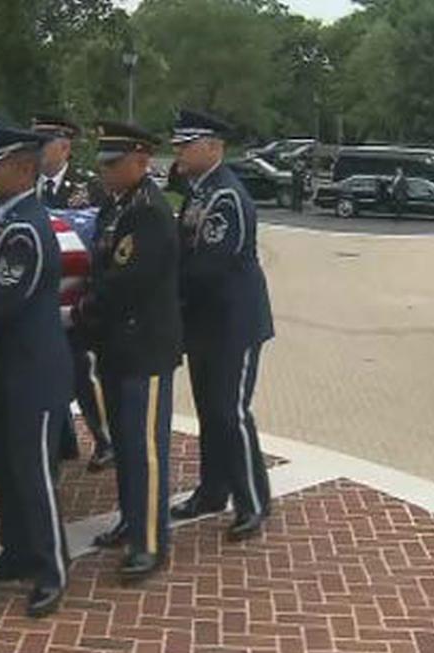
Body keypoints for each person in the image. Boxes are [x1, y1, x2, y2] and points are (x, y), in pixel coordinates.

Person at [0, 124, 73, 618]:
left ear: (24, 169)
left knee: (34, 476)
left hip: (35, 374)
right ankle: (16, 554)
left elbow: (2, 299)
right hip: (9, 372)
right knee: (9, 474)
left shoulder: (27, 226)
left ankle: (53, 568)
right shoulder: (6, 219)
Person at [75, 121, 181, 580]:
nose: (104, 173)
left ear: (140, 162)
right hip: (119, 346)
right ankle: (131, 520)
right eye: (102, 164)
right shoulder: (117, 207)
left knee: (146, 449)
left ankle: (151, 542)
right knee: (126, 445)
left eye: (112, 164)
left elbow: (126, 281)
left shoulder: (149, 212)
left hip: (146, 348)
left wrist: (83, 307)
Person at [166, 109, 275, 541]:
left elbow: (209, 263)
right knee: (211, 412)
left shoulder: (225, 197)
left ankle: (253, 500)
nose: (178, 152)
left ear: (213, 147)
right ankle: (212, 490)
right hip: (207, 321)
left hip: (234, 321)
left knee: (231, 412)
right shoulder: (199, 191)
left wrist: (165, 287)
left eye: (186, 145)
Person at [31, 113, 115, 471]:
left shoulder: (89, 188)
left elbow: (99, 238)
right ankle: (61, 441)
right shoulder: (29, 185)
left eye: (43, 144)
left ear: (64, 147)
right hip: (43, 296)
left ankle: (106, 438)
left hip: (78, 295)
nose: (37, 152)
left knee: (84, 370)